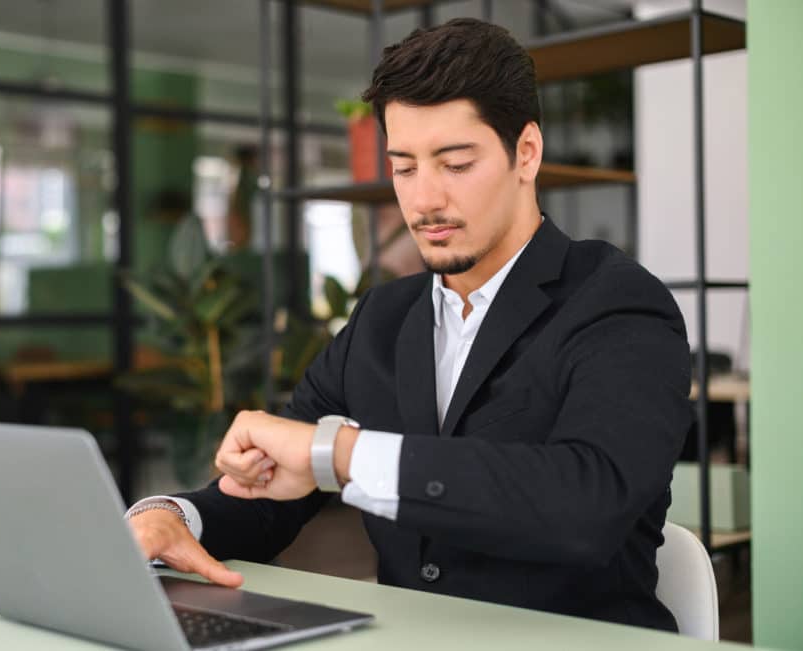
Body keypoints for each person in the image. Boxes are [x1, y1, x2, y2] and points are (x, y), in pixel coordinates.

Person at [126, 18, 691, 632]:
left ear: (525, 152)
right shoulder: (382, 317)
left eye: (454, 164)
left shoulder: (617, 304)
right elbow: (270, 493)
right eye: (404, 168)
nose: (424, 201)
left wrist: (341, 455)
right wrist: (172, 516)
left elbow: (586, 506)